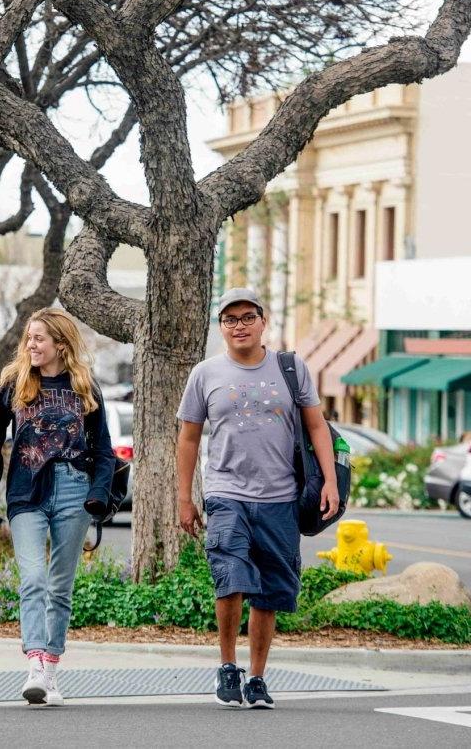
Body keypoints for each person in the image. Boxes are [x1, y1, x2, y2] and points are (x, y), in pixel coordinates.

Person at [176, 288, 339, 709]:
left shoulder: (290, 368)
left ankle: (258, 678)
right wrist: (184, 497)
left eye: (247, 317)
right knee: (230, 578)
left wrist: (330, 481)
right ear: (221, 328)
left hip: (280, 496)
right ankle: (228, 666)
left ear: (263, 322)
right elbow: (189, 437)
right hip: (226, 492)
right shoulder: (205, 374)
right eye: (230, 320)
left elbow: (317, 427)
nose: (240, 326)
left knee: (268, 591)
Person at [0, 307, 114, 707]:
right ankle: (34, 661)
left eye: (39, 338)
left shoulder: (85, 386)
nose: (31, 345)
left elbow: (103, 451)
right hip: (26, 492)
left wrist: (99, 494)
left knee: (60, 586)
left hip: (74, 490)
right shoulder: (15, 384)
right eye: (29, 338)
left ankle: (51, 667)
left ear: (60, 344)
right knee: (33, 578)